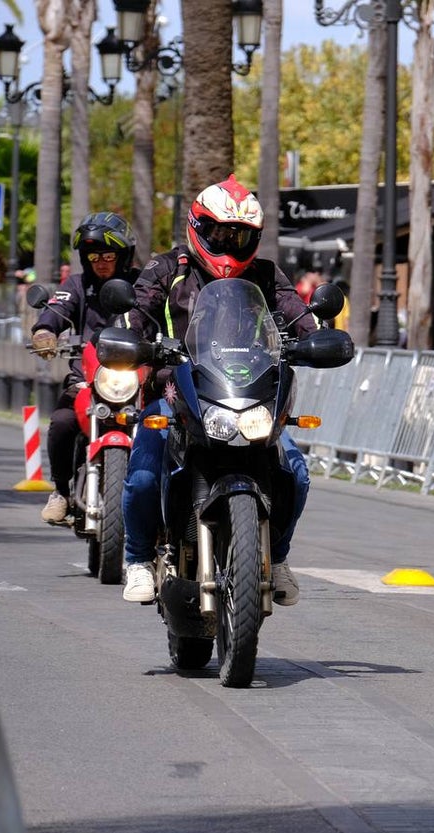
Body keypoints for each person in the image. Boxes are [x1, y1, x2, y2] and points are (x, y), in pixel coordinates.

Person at [119, 175, 318, 605]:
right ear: (198, 226)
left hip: (247, 394)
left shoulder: (266, 275)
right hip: (175, 390)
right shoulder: (167, 268)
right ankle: (136, 560)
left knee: (296, 473)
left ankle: (277, 557)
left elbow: (298, 314)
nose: (229, 243)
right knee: (143, 475)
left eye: (241, 236)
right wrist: (134, 340)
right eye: (220, 232)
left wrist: (315, 336)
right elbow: (137, 312)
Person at [30, 212, 140, 524]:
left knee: (166, 425)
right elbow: (57, 308)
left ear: (122, 256)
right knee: (63, 422)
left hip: (135, 380)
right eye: (94, 256)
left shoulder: (140, 285)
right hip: (87, 380)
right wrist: (44, 332)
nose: (101, 262)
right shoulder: (76, 285)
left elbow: (160, 313)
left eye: (108, 255)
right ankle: (61, 491)